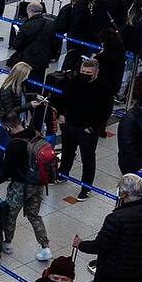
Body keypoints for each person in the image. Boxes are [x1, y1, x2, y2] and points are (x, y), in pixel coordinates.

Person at [0, 112, 51, 261]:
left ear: (8, 126)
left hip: (20, 186)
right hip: (38, 183)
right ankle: (45, 247)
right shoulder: (34, 132)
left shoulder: (14, 144)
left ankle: (7, 244)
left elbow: (6, 171)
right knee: (34, 215)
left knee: (10, 214)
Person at [54, 58, 114, 200]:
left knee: (88, 159)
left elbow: (106, 111)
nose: (84, 74)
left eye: (88, 72)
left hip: (87, 130)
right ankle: (63, 174)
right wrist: (61, 114)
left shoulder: (103, 88)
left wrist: (93, 128)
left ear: (96, 72)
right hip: (70, 124)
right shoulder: (74, 81)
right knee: (67, 152)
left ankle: (86, 187)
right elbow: (63, 98)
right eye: (83, 71)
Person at [8, 2, 53, 84]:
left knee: (25, 83)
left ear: (30, 11)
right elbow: (53, 43)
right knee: (37, 84)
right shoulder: (50, 24)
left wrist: (18, 35)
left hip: (27, 61)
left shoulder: (28, 25)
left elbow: (17, 45)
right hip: (42, 61)